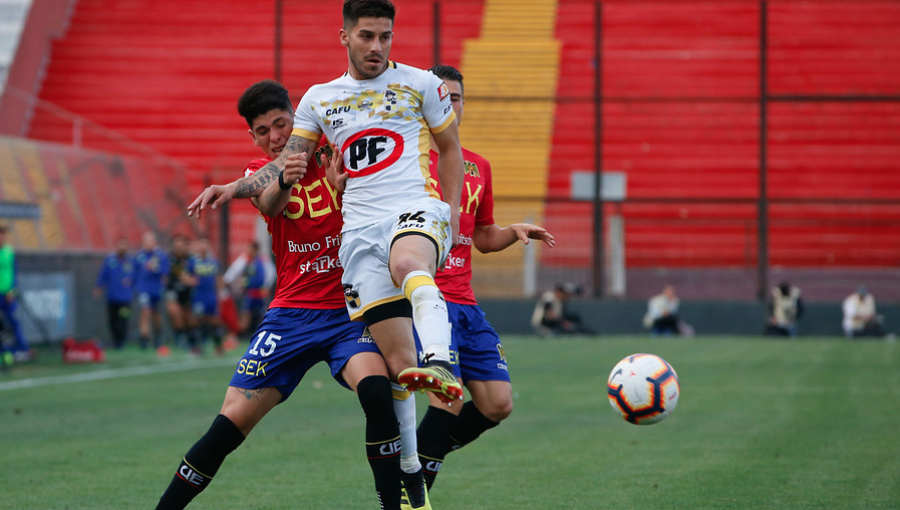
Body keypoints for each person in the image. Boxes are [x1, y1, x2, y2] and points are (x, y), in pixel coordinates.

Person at [187, 2, 466, 506]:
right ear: (345, 37)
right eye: (367, 36)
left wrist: (447, 214)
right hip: (295, 309)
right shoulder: (298, 137)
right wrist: (235, 185)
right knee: (233, 423)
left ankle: (403, 489)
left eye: (385, 36)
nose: (377, 46)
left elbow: (444, 148)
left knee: (383, 382)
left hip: (352, 300)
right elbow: (271, 191)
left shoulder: (400, 98)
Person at [156, 80, 402, 510]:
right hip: (290, 315)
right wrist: (281, 183)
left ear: (297, 117)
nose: (276, 137)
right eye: (264, 130)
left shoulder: (335, 151)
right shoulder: (259, 170)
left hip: (348, 312)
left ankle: (393, 505)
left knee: (377, 392)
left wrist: (348, 188)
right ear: (252, 137)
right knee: (229, 424)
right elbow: (269, 202)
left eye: (282, 124)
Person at [413, 64, 556, 490]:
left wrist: (512, 233)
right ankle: (412, 490)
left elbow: (482, 237)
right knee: (449, 398)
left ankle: (421, 453)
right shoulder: (408, 160)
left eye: (455, 98)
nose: (449, 104)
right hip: (427, 299)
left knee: (497, 404)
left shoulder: (477, 167)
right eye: (441, 96)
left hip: (466, 303)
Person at [223, 240, 274, 336]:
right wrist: (234, 286)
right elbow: (231, 274)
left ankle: (263, 336)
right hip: (249, 293)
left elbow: (271, 274)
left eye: (252, 248)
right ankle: (237, 336)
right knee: (246, 316)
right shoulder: (244, 259)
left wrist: (266, 287)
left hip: (260, 293)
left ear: (256, 249)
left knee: (263, 317)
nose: (250, 250)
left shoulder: (263, 260)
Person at [93, 237, 135, 349]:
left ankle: (121, 342)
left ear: (127, 247)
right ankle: (115, 341)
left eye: (124, 245)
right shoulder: (110, 260)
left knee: (123, 320)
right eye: (120, 245)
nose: (122, 247)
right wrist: (98, 286)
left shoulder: (131, 261)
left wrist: (133, 282)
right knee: (112, 320)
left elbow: (138, 276)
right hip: (112, 297)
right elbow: (103, 274)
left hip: (126, 298)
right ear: (116, 246)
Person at [184, 236, 224, 355]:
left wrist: (220, 291)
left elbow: (218, 278)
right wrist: (190, 281)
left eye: (206, 243)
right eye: (201, 243)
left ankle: (218, 347)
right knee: (196, 321)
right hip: (199, 296)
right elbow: (184, 274)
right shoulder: (192, 261)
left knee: (214, 321)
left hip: (211, 295)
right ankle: (197, 348)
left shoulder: (213, 261)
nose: (203, 246)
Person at [134, 230, 170, 354]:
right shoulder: (140, 255)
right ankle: (144, 339)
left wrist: (155, 268)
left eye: (150, 240)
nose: (148, 243)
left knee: (156, 315)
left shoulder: (160, 255)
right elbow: (135, 271)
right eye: (146, 240)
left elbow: (165, 272)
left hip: (156, 289)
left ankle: (158, 338)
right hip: (144, 289)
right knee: (145, 312)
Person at [0, 224, 30, 361]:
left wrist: (12, 291)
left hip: (8, 295)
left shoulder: (9, 252)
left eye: (3, 234)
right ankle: (4, 352)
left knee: (14, 322)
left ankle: (23, 350)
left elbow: (15, 273)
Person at [165, 234, 194, 349]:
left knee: (188, 318)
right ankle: (179, 337)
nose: (179, 245)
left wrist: (192, 280)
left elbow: (194, 275)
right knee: (175, 312)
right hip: (173, 290)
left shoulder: (190, 259)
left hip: (187, 291)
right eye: (177, 242)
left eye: (181, 242)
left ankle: (189, 338)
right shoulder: (169, 258)